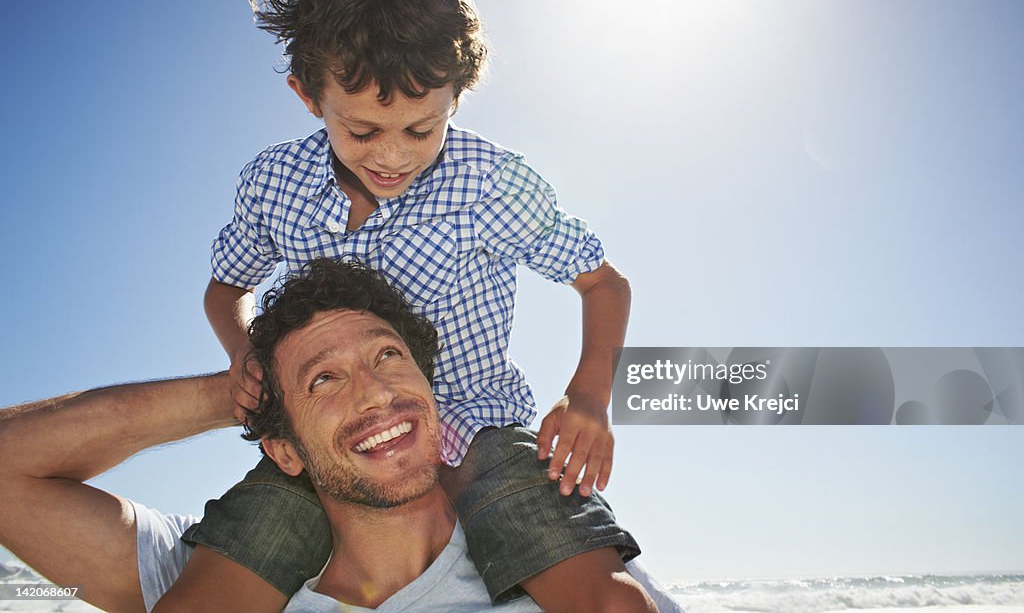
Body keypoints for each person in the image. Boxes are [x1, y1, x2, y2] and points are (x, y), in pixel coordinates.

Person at [185, 0, 643, 613]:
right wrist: (244, 351)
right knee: (210, 591)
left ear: (458, 94)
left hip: (479, 432)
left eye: (421, 130)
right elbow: (226, 287)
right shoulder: (272, 183)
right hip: (336, 453)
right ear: (308, 95)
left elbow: (603, 283)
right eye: (364, 131)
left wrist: (588, 395)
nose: (394, 157)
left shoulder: (491, 182)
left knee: (609, 602)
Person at [0, 260, 682, 613]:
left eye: (388, 355)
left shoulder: (549, 553)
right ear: (285, 447)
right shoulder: (220, 571)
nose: (373, 390)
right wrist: (227, 391)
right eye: (323, 380)